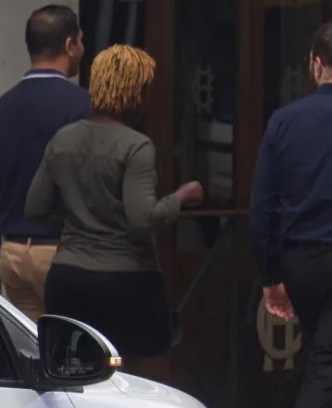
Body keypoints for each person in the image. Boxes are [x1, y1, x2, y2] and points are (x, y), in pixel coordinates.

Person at [26, 44, 203, 363]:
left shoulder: (63, 139)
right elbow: (143, 218)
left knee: (75, 381)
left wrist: (77, 219)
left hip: (68, 279)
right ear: (136, 92)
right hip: (127, 284)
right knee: (135, 382)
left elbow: (35, 207)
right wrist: (182, 196)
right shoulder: (136, 147)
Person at [255, 20, 332, 408]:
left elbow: (263, 203)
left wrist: (270, 274)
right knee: (330, 371)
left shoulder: (285, 121)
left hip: (301, 263)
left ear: (316, 64)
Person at [0, 5, 91, 320]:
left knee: (30, 354)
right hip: (62, 254)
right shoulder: (84, 107)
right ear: (70, 45)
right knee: (74, 354)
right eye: (80, 41)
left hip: (13, 254)